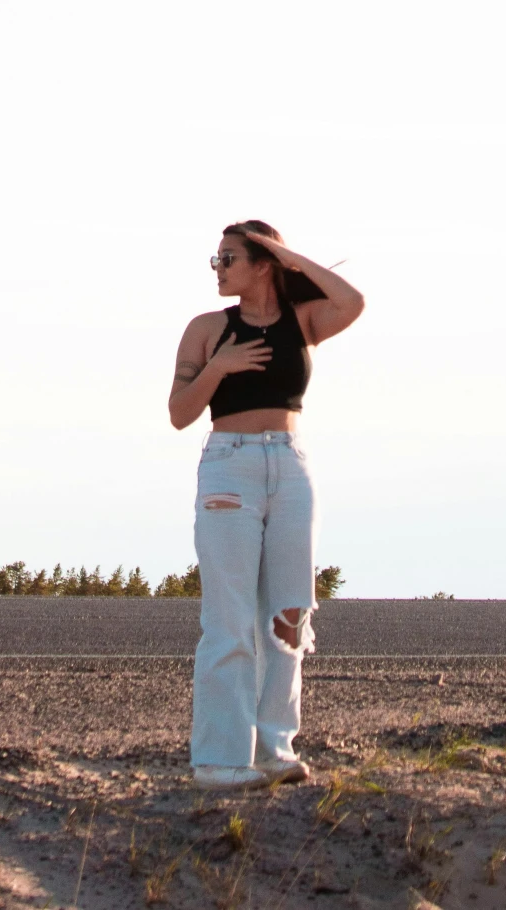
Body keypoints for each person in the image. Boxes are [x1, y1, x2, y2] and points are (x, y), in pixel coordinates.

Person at [168, 219, 365, 789]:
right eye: (216, 258)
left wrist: (290, 255)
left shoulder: (303, 322)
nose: (218, 268)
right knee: (229, 621)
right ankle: (219, 760)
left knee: (289, 615)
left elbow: (352, 301)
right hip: (229, 466)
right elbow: (180, 413)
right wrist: (219, 368)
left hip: (292, 465)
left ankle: (274, 749)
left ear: (263, 264)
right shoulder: (206, 329)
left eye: (228, 258)